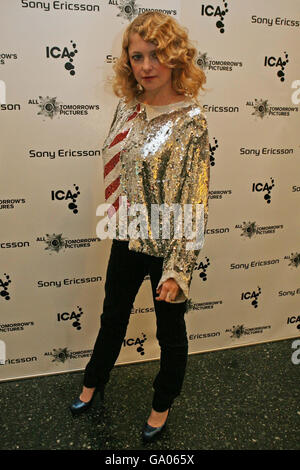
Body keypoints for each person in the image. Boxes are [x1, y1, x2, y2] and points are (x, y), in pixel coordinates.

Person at [70, 11, 210, 443]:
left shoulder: (191, 122)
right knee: (112, 317)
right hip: (127, 233)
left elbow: (195, 197)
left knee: (171, 332)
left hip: (168, 242)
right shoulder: (127, 107)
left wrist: (179, 268)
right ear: (127, 62)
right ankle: (93, 382)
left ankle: (161, 404)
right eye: (137, 56)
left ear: (175, 57)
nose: (146, 66)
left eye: (156, 55)